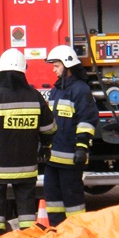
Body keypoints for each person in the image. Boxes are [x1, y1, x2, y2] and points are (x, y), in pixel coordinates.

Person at [0, 49, 56, 237]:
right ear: (23, 70)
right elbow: (49, 128)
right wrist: (45, 146)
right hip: (26, 165)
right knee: (26, 208)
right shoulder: (35, 96)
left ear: (1, 69)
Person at [44, 45, 99, 227]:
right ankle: (56, 231)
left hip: (71, 159)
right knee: (53, 201)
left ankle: (77, 233)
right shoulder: (56, 91)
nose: (54, 70)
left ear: (67, 65)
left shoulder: (80, 90)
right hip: (53, 159)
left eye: (56, 66)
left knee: (73, 202)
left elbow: (87, 120)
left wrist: (81, 148)